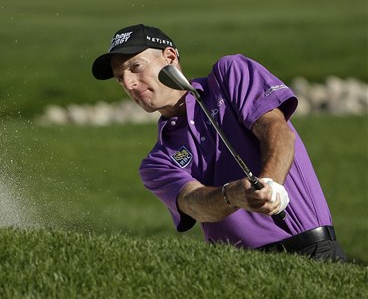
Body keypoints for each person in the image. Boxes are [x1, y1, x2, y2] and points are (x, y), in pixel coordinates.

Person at [91, 24, 346, 262]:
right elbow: (194, 203)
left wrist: (270, 184)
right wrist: (234, 195)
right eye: (119, 78)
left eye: (135, 67)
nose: (129, 84)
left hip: (313, 251)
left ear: (169, 57)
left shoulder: (230, 75)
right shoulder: (157, 161)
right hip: (238, 270)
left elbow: (276, 129)